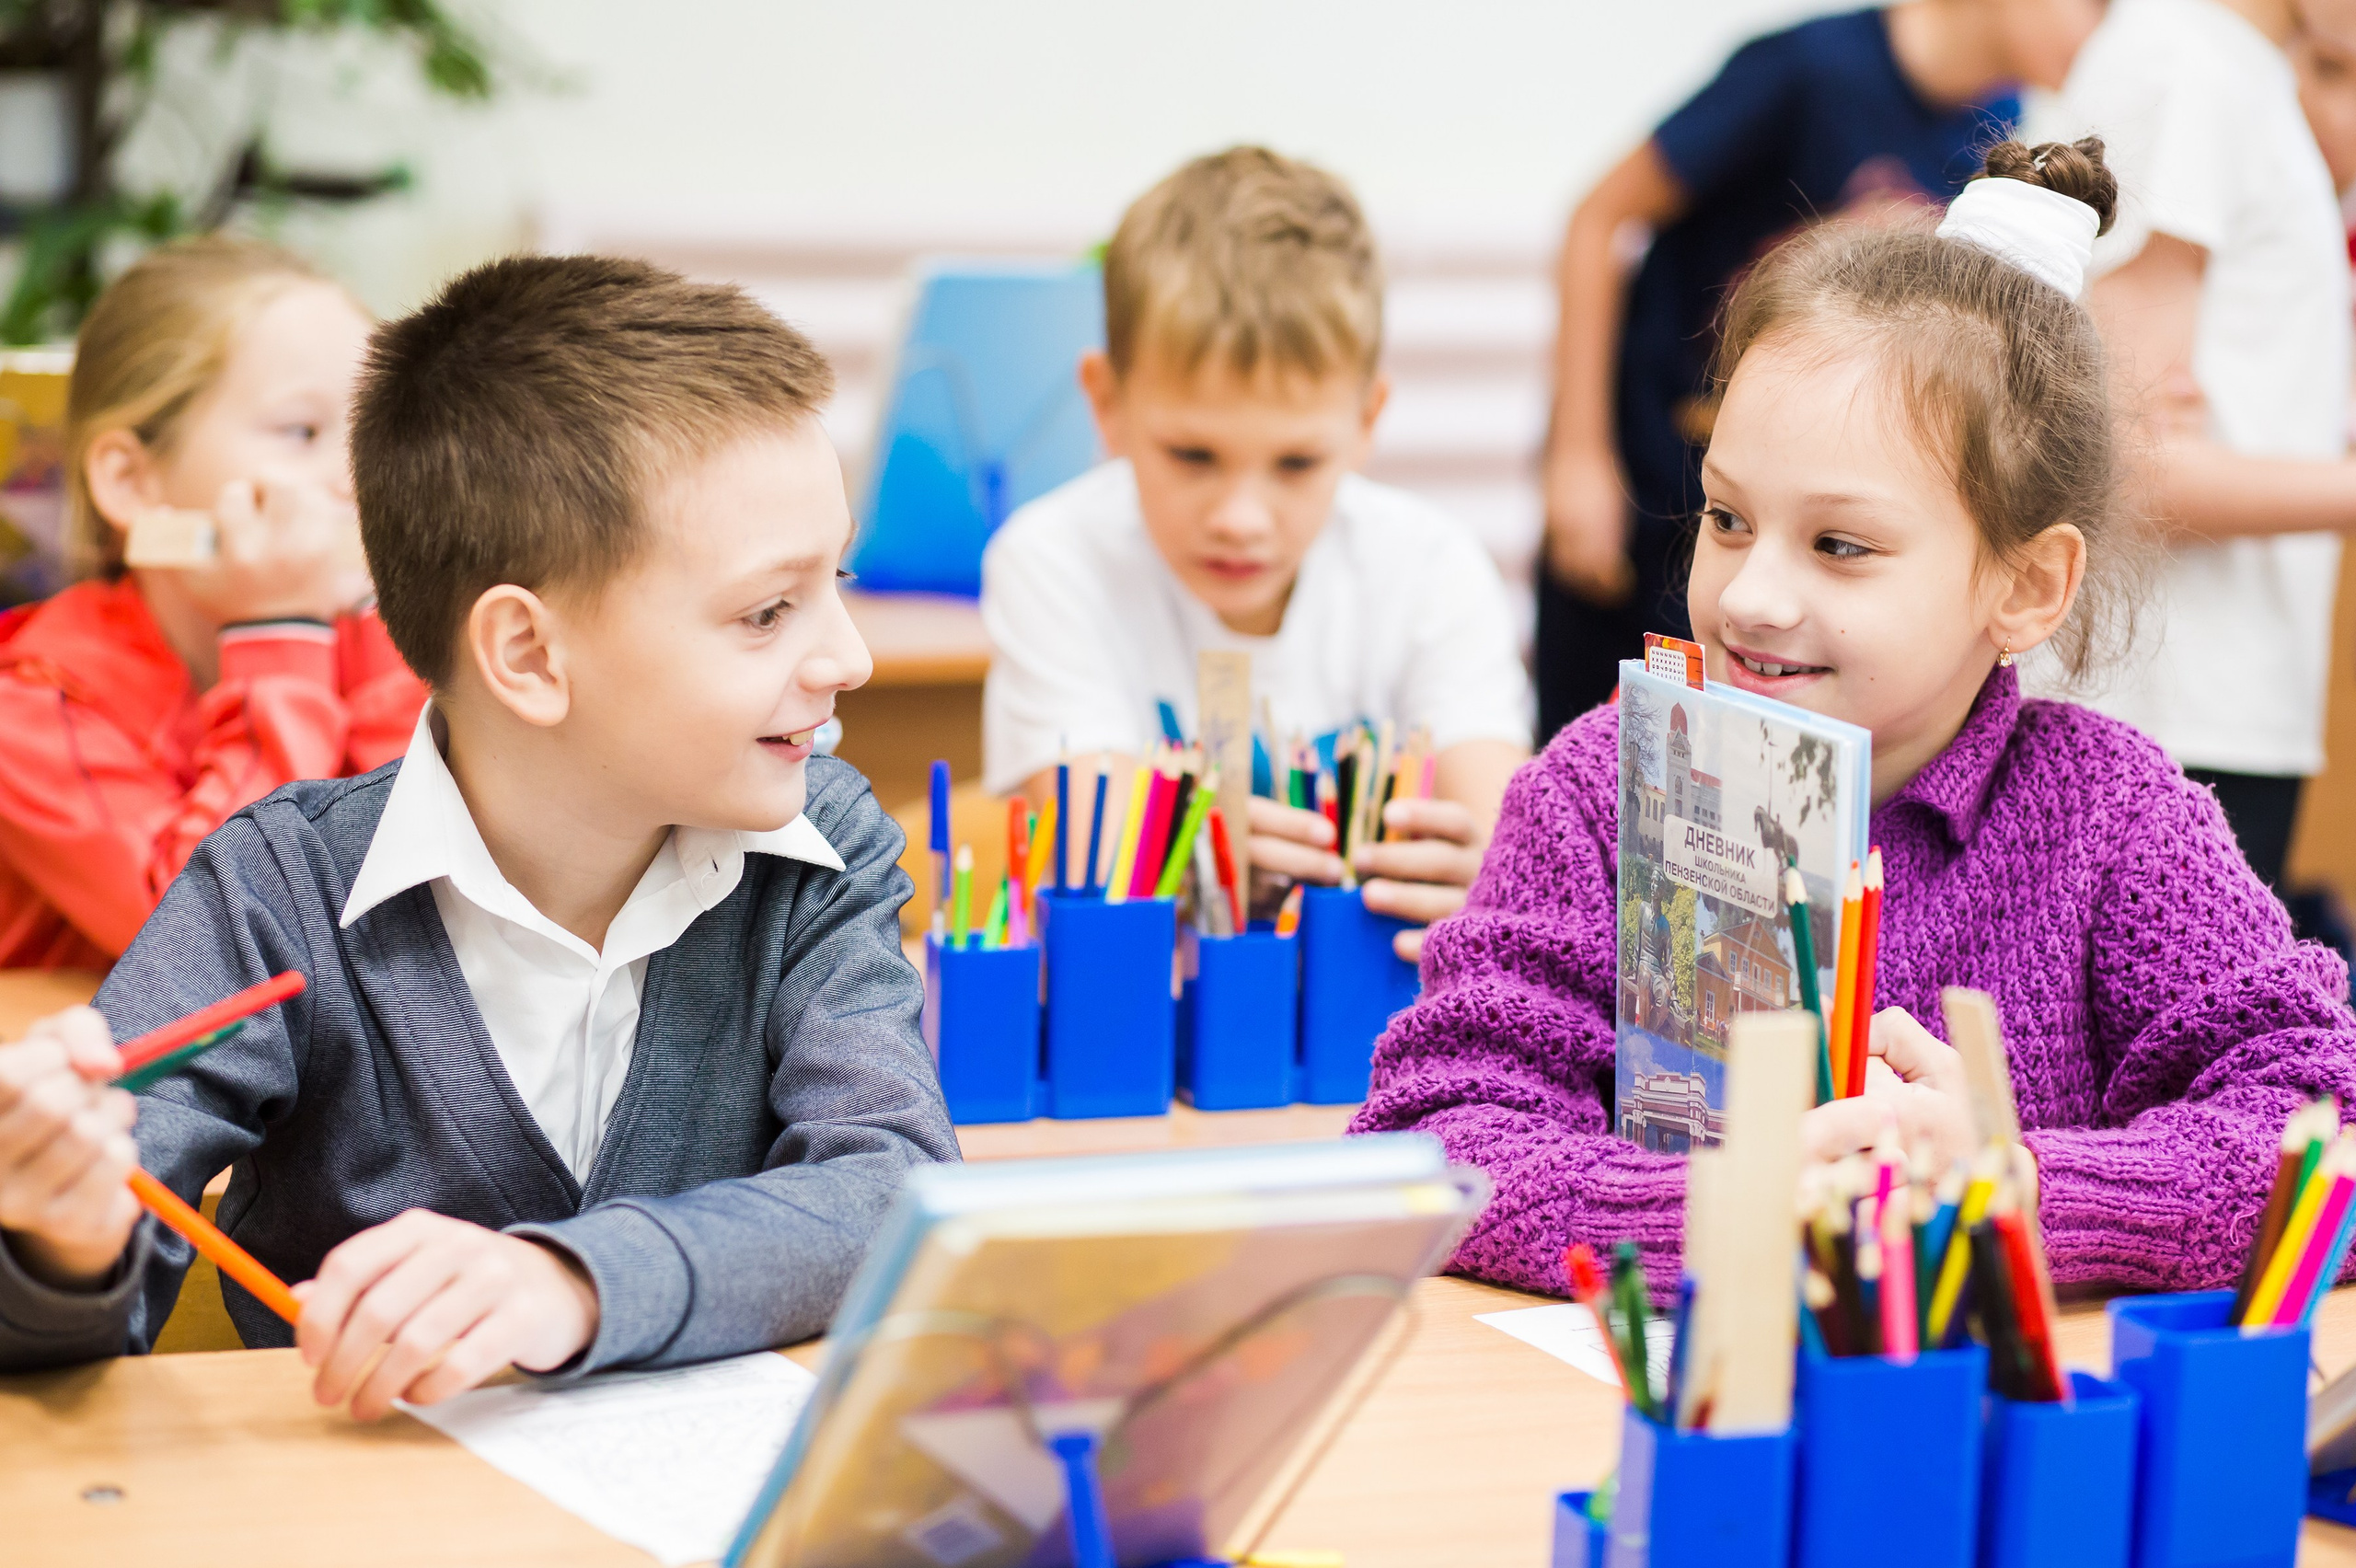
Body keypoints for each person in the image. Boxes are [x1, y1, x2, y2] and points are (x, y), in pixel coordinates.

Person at [1355, 140, 2356, 1298]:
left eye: (1839, 544)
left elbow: (2321, 1136)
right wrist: (1725, 1211)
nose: (1751, 595)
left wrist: (2011, 1189)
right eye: (1727, 519)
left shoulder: (2113, 819)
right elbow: (1436, 1133)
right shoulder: (1595, 792)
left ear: (2026, 586)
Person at [0, 256, 960, 1414]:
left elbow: (890, 1189)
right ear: (528, 655)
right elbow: (65, 1304)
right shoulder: (274, 890)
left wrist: (572, 1282)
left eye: (836, 581)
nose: (849, 657)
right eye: (767, 611)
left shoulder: (823, 845)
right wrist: (59, 1239)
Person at [982, 147, 1531, 962]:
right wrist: (1188, 846)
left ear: (1367, 419)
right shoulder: (1052, 560)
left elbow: (1504, 842)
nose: (1240, 520)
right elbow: (1092, 841)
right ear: (1107, 403)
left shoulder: (1434, 567)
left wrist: (1484, 874)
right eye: (1193, 456)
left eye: (1296, 463)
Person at [1535, 0, 2104, 744]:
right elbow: (1598, 218)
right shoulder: (1806, 72)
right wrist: (1580, 455)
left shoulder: (1997, 123)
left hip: (1810, 522)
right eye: (2096, 5)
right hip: (1656, 487)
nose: (2107, 31)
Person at [0, 236, 427, 971]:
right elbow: (211, 944)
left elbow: (428, 903)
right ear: (133, 482)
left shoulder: (369, 644)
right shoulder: (36, 706)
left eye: (374, 430)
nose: (357, 475)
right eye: (303, 432)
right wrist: (277, 635)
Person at [2054, 0, 2356, 895]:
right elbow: (2128, 471)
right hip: (2165, 712)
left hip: (2220, 705)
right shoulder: (2184, 66)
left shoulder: (2234, 74)